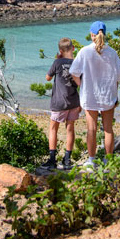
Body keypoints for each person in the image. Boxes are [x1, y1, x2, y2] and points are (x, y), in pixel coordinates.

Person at [69, 21, 120, 167]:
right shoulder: (112, 53)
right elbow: (118, 77)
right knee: (108, 129)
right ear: (104, 34)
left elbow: (74, 72)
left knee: (91, 128)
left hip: (89, 94)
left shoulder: (84, 51)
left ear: (92, 34)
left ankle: (91, 161)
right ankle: (109, 160)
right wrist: (115, 94)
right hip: (108, 94)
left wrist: (82, 84)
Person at [41, 37, 81, 170]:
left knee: (53, 129)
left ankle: (52, 159)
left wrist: (58, 60)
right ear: (73, 48)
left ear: (60, 50)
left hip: (59, 102)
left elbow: (48, 78)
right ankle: (67, 160)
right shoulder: (77, 63)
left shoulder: (57, 63)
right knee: (70, 129)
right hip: (74, 101)